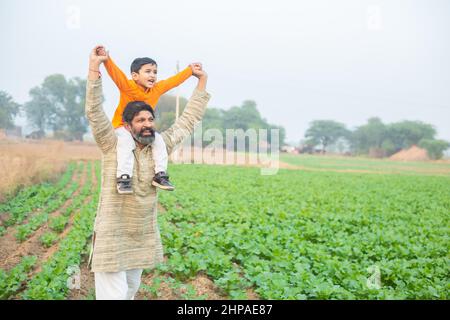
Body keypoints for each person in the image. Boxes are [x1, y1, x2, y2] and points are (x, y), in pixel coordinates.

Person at [85, 45, 210, 300]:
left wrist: (201, 81)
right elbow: (95, 113)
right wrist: (95, 67)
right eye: (140, 120)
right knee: (114, 296)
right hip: (112, 233)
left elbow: (187, 121)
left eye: (150, 119)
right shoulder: (112, 142)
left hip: (140, 234)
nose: (147, 124)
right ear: (128, 124)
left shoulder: (159, 146)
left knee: (130, 292)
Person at [95, 45, 201, 193]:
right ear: (135, 75)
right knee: (125, 142)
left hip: (143, 128)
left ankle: (160, 175)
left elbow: (173, 81)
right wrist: (106, 59)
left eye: (155, 72)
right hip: (123, 126)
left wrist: (190, 70)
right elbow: (116, 74)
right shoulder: (128, 86)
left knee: (158, 141)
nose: (152, 75)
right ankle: (124, 178)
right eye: (148, 71)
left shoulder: (156, 89)